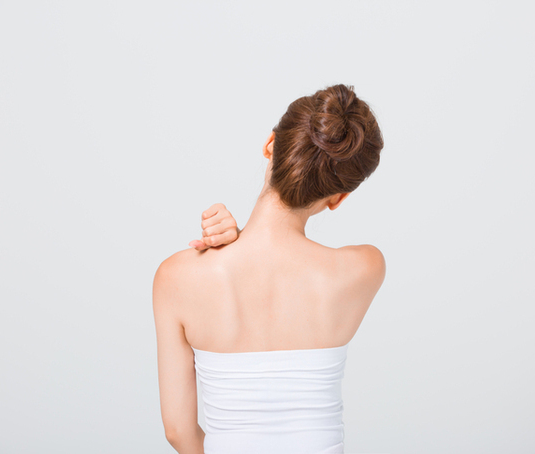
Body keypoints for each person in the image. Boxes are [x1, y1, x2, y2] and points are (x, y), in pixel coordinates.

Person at [153, 84, 386, 454]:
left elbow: (178, 432)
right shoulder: (365, 268)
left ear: (270, 145)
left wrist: (238, 240)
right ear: (338, 198)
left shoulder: (177, 277)